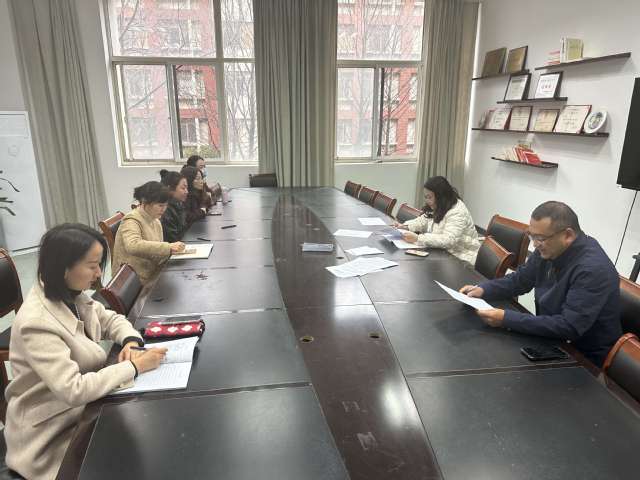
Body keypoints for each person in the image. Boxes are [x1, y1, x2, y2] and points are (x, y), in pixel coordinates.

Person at [4, 224, 167, 480]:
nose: (99, 273)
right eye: (92, 266)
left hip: (83, 413)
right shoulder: (36, 323)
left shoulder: (71, 295)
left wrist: (130, 341)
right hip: (51, 437)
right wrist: (135, 366)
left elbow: (111, 319)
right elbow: (74, 390)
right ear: (63, 268)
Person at [460, 201, 621, 367]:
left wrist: (506, 319)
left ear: (568, 235)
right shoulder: (550, 249)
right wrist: (484, 289)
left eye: (541, 238)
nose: (535, 244)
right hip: (551, 340)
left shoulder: (592, 269)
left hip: (583, 359)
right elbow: (520, 280)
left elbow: (569, 326)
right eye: (532, 236)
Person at [112, 181, 186, 285]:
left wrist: (171, 251)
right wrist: (168, 247)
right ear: (144, 202)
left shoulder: (155, 220)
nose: (164, 209)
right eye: (160, 205)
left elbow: (157, 251)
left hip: (150, 272)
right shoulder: (132, 220)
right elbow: (132, 245)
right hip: (133, 280)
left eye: (165, 205)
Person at [396, 176, 480, 264]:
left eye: (429, 197)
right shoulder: (439, 205)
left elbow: (449, 240)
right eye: (426, 197)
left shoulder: (457, 211)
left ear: (441, 196)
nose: (427, 200)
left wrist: (418, 238)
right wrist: (406, 226)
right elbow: (423, 221)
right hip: (443, 253)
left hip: (462, 258)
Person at [160, 169, 189, 242]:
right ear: (170, 189)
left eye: (187, 188)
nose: (187, 191)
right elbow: (172, 239)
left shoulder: (178, 204)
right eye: (183, 188)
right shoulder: (164, 210)